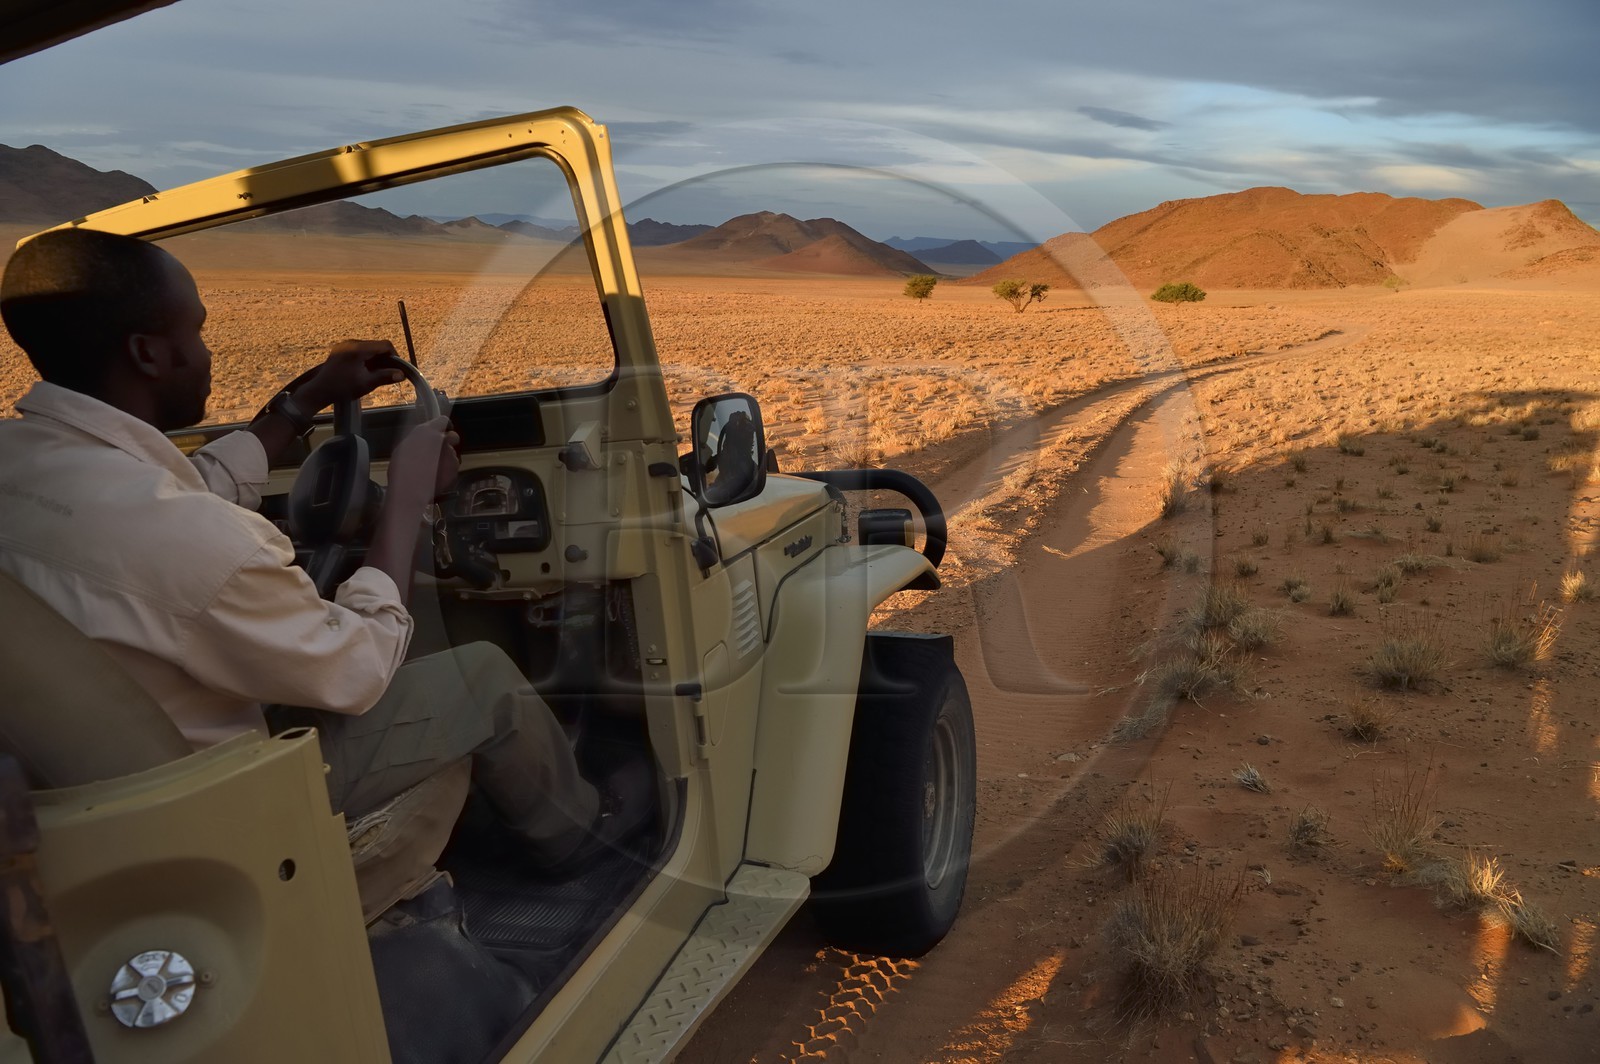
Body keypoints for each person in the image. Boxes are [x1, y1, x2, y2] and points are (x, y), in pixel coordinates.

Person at [0, 227, 646, 873]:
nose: (204, 352)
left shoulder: (29, 464)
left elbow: (187, 489)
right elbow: (356, 669)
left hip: (92, 797)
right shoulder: (194, 542)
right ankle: (576, 836)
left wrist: (304, 401)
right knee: (483, 678)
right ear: (148, 353)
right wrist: (405, 500)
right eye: (194, 331)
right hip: (228, 802)